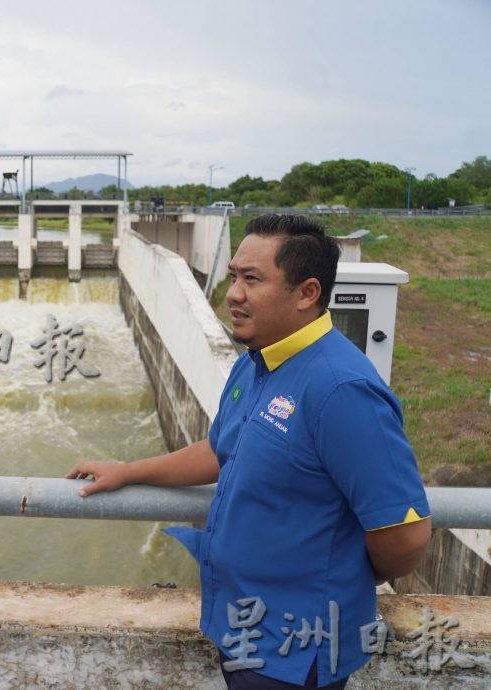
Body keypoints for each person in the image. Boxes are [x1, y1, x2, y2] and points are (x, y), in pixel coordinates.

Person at [67, 214, 431, 689]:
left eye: (252, 280)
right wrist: (129, 471)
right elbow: (223, 448)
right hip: (241, 625)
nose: (233, 293)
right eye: (234, 275)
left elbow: (405, 538)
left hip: (296, 650)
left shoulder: (341, 390)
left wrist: (338, 576)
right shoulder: (258, 362)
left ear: (307, 293)